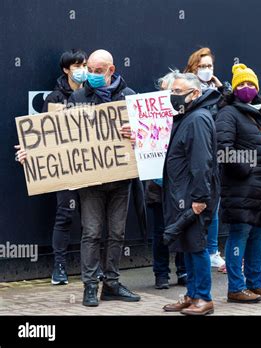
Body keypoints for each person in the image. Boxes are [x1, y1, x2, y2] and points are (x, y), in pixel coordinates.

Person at [67, 49, 141, 307]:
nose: (92, 75)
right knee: (92, 232)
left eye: (98, 71)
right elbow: (62, 138)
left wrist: (135, 133)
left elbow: (147, 136)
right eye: (90, 70)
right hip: (91, 182)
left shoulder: (129, 97)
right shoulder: (77, 97)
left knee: (117, 233)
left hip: (121, 180)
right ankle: (90, 285)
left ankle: (111, 283)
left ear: (111, 70)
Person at [14, 49, 88, 285]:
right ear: (66, 69)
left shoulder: (94, 95)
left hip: (92, 166)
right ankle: (60, 267)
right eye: (76, 65)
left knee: (92, 219)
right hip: (65, 169)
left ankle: (92, 268)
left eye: (84, 64)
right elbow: (45, 137)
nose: (81, 69)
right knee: (65, 215)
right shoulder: (54, 99)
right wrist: (30, 153)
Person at [216, 64, 261, 303]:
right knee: (240, 235)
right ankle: (236, 287)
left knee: (258, 235)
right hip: (241, 188)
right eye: (241, 84)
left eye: (251, 84)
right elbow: (223, 151)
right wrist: (249, 167)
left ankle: (255, 283)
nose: (247, 88)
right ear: (234, 88)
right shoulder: (228, 113)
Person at [162, 73, 220, 316]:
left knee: (196, 246)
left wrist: (199, 199)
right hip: (182, 194)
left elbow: (201, 163)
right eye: (172, 91)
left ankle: (204, 298)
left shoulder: (197, 119)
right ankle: (192, 294)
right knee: (187, 245)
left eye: (178, 91)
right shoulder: (188, 116)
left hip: (193, 196)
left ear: (194, 93)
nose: (173, 96)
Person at [184, 47, 229, 272]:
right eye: (201, 66)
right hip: (191, 154)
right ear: (192, 68)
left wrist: (222, 87)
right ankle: (192, 255)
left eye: (209, 66)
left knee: (213, 205)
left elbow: (230, 107)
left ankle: (212, 251)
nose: (206, 70)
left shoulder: (217, 92)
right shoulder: (184, 91)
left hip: (214, 153)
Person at [147, 71, 187, 289]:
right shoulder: (149, 116)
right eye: (162, 90)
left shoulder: (185, 115)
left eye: (171, 91)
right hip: (157, 184)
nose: (166, 94)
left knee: (181, 228)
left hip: (179, 185)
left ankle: (183, 271)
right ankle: (161, 274)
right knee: (160, 232)